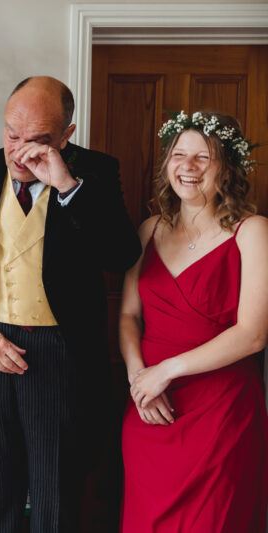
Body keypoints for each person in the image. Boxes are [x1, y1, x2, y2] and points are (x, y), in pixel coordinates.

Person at [0, 76, 141, 532]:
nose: (19, 151)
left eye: (38, 139)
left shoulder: (96, 172)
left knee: (55, 496)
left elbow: (121, 254)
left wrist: (67, 187)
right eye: (11, 134)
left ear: (66, 134)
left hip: (60, 356)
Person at [120, 111, 268, 532]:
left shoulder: (253, 231)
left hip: (221, 411)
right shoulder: (149, 230)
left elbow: (254, 334)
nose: (188, 167)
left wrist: (165, 371)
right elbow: (129, 315)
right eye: (179, 155)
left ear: (227, 167)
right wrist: (139, 381)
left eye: (203, 157)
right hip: (149, 408)